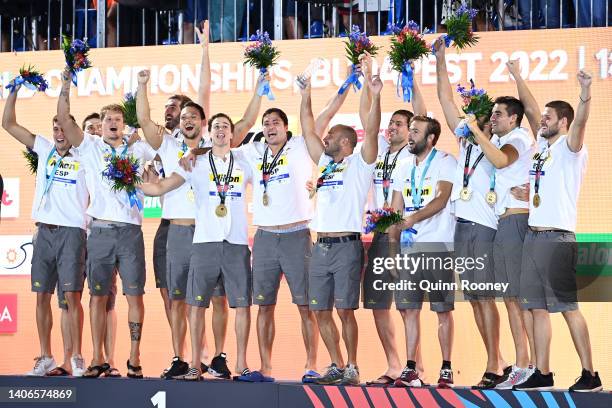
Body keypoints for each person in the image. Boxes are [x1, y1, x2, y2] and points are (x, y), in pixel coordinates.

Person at [136, 52, 263, 377]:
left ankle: (219, 356)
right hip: (178, 232)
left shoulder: (214, 147)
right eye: (184, 116)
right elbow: (144, 123)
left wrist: (206, 49)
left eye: (195, 115)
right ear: (179, 121)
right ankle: (182, 358)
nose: (188, 120)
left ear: (204, 122)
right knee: (180, 300)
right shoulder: (169, 145)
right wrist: (142, 85)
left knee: (220, 299)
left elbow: (245, 121)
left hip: (211, 233)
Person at [57, 67, 156, 378]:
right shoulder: (89, 147)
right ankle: (98, 358)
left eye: (118, 120)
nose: (113, 124)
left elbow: (150, 126)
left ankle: (134, 357)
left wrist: (142, 87)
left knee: (135, 296)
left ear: (124, 125)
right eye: (108, 121)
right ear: (100, 127)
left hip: (130, 233)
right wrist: (64, 85)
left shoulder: (139, 148)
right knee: (97, 297)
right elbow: (63, 118)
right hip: (98, 231)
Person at [508, 69, 602, 392]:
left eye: (549, 117)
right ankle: (543, 373)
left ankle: (591, 374)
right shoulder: (543, 149)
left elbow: (581, 122)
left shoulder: (570, 147)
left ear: (563, 122)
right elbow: (532, 108)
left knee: (567, 307)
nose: (542, 121)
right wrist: (517, 76)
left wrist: (585, 92)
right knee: (535, 307)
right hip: (534, 236)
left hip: (557, 238)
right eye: (543, 117)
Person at [433, 37, 511, 389]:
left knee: (486, 297)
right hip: (461, 228)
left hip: (484, 226)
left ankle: (496, 364)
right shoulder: (465, 143)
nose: (470, 120)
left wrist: (479, 130)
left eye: (482, 115)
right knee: (477, 300)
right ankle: (498, 361)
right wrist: (440, 58)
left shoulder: (496, 146)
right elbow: (445, 100)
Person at [298, 74, 380, 385]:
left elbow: (371, 130)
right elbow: (307, 128)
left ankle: (353, 368)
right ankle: (335, 364)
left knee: (346, 311)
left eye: (330, 135)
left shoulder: (361, 164)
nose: (325, 138)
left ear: (345, 141)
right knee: (320, 311)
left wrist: (374, 94)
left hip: (347, 246)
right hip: (320, 247)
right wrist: (305, 95)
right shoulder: (324, 164)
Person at [2, 81, 87, 377]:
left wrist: (66, 84)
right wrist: (13, 90)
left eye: (64, 128)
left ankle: (76, 356)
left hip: (72, 233)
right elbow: (8, 123)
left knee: (72, 297)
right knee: (41, 296)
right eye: (55, 129)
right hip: (44, 233)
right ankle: (45, 356)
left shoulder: (85, 155)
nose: (59, 134)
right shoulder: (44, 148)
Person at [358, 54, 427, 386]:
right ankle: (394, 365)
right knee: (377, 303)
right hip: (380, 236)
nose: (392, 128)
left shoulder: (413, 152)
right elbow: (367, 118)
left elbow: (424, 114)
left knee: (407, 306)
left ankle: (416, 368)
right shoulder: (379, 151)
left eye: (400, 124)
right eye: (392, 124)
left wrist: (409, 76)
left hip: (406, 234)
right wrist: (372, 84)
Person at [464, 91, 537, 389]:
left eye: (497, 115)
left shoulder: (517, 139)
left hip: (516, 222)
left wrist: (475, 130)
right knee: (510, 298)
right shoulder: (499, 139)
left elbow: (501, 161)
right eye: (491, 114)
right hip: (503, 221)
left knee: (517, 299)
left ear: (513, 118)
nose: (492, 119)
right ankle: (523, 365)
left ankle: (527, 365)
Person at [386, 115, 457, 388]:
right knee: (409, 310)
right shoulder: (403, 166)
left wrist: (413, 219)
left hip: (438, 245)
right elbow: (394, 212)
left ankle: (447, 367)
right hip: (408, 249)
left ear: (430, 138)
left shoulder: (445, 162)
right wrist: (392, 251)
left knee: (442, 310)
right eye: (410, 131)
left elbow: (441, 198)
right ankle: (411, 367)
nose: (410, 136)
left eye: (416, 131)